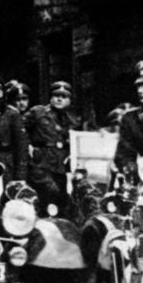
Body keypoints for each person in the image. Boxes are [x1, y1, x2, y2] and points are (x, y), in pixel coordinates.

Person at [23, 81, 84, 216]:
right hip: (41, 165)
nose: (59, 99)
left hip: (61, 167)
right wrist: (28, 146)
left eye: (64, 96)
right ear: (50, 97)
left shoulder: (73, 120)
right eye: (56, 95)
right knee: (50, 192)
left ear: (69, 100)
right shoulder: (38, 112)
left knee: (63, 200)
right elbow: (20, 129)